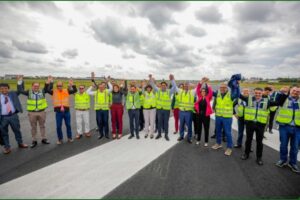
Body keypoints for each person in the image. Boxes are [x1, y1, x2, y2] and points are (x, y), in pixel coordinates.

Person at [240, 87, 286, 165]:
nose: (257, 94)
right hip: (250, 123)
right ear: (254, 92)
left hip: (260, 124)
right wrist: (235, 85)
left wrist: (282, 93)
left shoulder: (267, 101)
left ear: (262, 93)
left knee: (259, 142)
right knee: (248, 140)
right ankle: (246, 154)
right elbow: (239, 95)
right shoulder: (248, 99)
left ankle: (259, 158)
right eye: (256, 93)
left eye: (259, 93)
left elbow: (278, 102)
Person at [17, 75, 50, 148]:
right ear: (32, 86)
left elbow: (47, 88)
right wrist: (20, 81)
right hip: (32, 113)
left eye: (37, 86)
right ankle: (34, 140)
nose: (36, 87)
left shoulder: (42, 91)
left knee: (42, 126)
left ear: (39, 86)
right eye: (35, 86)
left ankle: (43, 139)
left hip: (41, 112)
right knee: (33, 127)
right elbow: (20, 90)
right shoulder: (29, 92)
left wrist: (48, 82)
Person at [211, 74, 240, 156]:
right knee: (218, 131)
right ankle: (218, 143)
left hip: (227, 118)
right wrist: (205, 84)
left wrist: (237, 85)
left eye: (224, 87)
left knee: (228, 132)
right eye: (221, 87)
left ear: (227, 88)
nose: (222, 89)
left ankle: (229, 148)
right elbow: (209, 92)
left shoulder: (230, 95)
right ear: (219, 88)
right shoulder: (218, 94)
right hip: (218, 116)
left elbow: (237, 95)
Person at [275, 85, 300, 173]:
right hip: (284, 126)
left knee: (295, 147)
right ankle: (283, 160)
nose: (296, 92)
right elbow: (277, 101)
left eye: (298, 91)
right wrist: (281, 91)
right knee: (283, 145)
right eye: (294, 90)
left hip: (297, 128)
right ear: (290, 90)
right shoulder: (284, 98)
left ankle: (292, 163)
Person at [46, 77, 77, 144]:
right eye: (58, 86)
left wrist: (72, 84)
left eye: (60, 85)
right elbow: (46, 89)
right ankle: (60, 139)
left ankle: (69, 138)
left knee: (68, 125)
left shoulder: (66, 91)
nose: (59, 87)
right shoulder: (54, 91)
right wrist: (50, 82)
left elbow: (75, 90)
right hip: (58, 112)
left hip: (66, 112)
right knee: (58, 126)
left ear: (62, 86)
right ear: (56, 86)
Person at [0, 83, 28, 154]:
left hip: (13, 116)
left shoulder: (13, 94)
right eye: (2, 88)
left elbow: (20, 90)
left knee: (17, 130)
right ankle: (7, 147)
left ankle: (20, 143)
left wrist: (19, 81)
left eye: (5, 88)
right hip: (3, 118)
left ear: (8, 89)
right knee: (4, 133)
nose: (4, 90)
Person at [150, 74, 176, 141]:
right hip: (159, 110)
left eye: (164, 85)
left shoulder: (169, 92)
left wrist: (172, 80)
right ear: (161, 86)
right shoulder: (158, 91)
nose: (163, 86)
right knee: (159, 122)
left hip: (166, 110)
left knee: (166, 122)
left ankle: (166, 135)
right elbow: (153, 85)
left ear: (166, 86)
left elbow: (174, 87)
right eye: (162, 85)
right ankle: (159, 134)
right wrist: (151, 79)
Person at [87, 74, 113, 140]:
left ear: (104, 87)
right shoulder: (96, 92)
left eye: (102, 87)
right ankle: (101, 134)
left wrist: (108, 82)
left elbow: (111, 88)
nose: (101, 88)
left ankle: (106, 134)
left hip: (105, 110)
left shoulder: (106, 91)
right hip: (98, 110)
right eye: (100, 87)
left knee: (106, 122)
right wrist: (91, 86)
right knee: (99, 122)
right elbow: (88, 92)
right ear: (98, 87)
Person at [173, 77, 197, 144]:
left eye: (187, 85)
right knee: (181, 125)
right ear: (184, 86)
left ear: (189, 86)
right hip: (181, 112)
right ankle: (181, 136)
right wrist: (172, 80)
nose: (186, 86)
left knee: (189, 125)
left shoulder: (192, 92)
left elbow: (198, 87)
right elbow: (175, 86)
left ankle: (189, 138)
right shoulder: (181, 91)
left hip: (188, 112)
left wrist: (202, 81)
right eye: (185, 85)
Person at [194, 77, 213, 147]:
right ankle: (198, 140)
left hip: (206, 116)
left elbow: (210, 91)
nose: (203, 92)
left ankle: (206, 141)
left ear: (206, 92)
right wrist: (201, 81)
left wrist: (208, 83)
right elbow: (198, 88)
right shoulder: (199, 97)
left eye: (204, 91)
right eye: (202, 91)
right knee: (199, 128)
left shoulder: (208, 97)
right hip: (199, 115)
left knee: (206, 129)